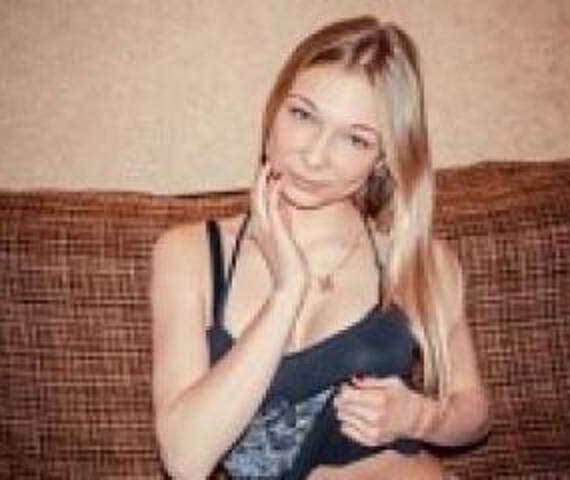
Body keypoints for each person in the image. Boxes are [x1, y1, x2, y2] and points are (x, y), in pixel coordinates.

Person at [150, 15, 491, 479]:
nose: (314, 156)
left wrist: (419, 417)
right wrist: (287, 291)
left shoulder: (417, 260)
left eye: (355, 139)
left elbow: (474, 411)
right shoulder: (189, 255)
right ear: (273, 111)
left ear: (382, 158)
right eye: (303, 115)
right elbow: (186, 460)